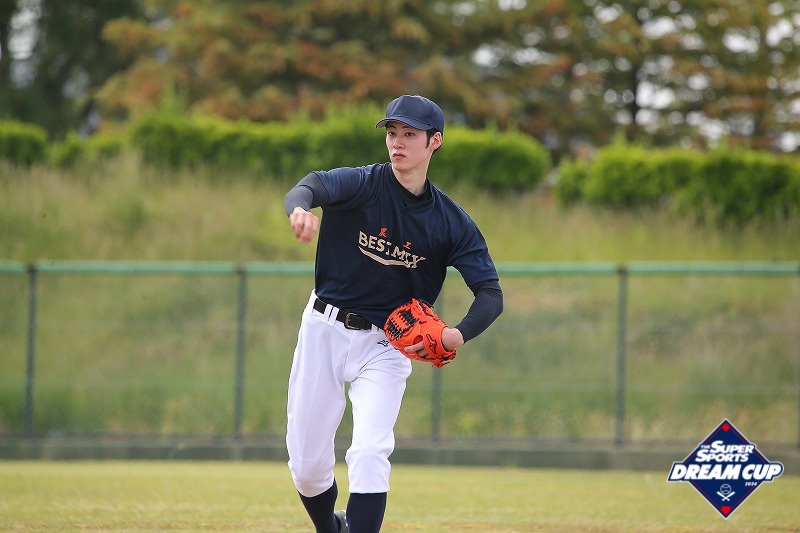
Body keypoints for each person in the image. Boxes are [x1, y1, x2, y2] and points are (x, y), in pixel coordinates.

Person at [284, 94, 503, 532]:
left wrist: (456, 334)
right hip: (324, 328)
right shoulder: (362, 183)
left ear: (434, 141)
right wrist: (299, 209)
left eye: (409, 134)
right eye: (392, 132)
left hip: (387, 345)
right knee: (306, 468)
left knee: (370, 453)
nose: (397, 142)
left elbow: (490, 293)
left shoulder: (450, 222)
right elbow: (308, 185)